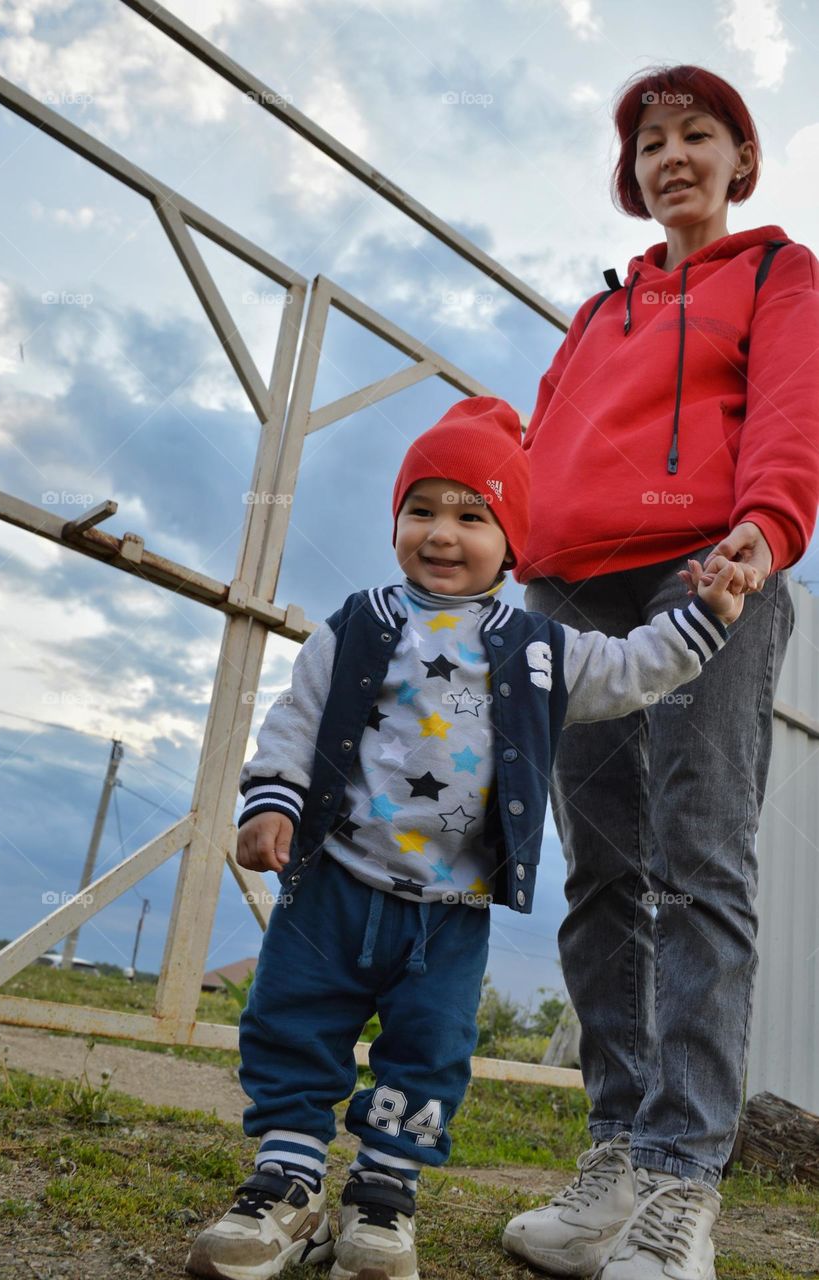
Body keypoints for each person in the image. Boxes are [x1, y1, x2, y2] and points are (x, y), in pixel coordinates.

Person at [185, 395, 753, 1280]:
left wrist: (706, 616)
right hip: (332, 880)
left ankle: (381, 1198)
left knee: (428, 1051)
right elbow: (295, 724)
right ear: (395, 521)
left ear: (512, 539)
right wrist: (271, 805)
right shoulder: (358, 622)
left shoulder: (536, 645)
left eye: (471, 515)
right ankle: (285, 1186)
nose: (440, 533)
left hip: (448, 908)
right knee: (292, 1024)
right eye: (420, 509)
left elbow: (632, 667)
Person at [503, 64, 819, 1280]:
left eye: (697, 135)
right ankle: (616, 1157)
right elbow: (540, 448)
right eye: (649, 142)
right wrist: (503, 532)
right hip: (565, 589)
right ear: (630, 176)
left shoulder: (778, 272)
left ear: (739, 161)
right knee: (599, 875)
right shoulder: (594, 316)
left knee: (696, 864)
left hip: (704, 572)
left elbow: (791, 410)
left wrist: (766, 524)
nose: (670, 154)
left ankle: (681, 1181)